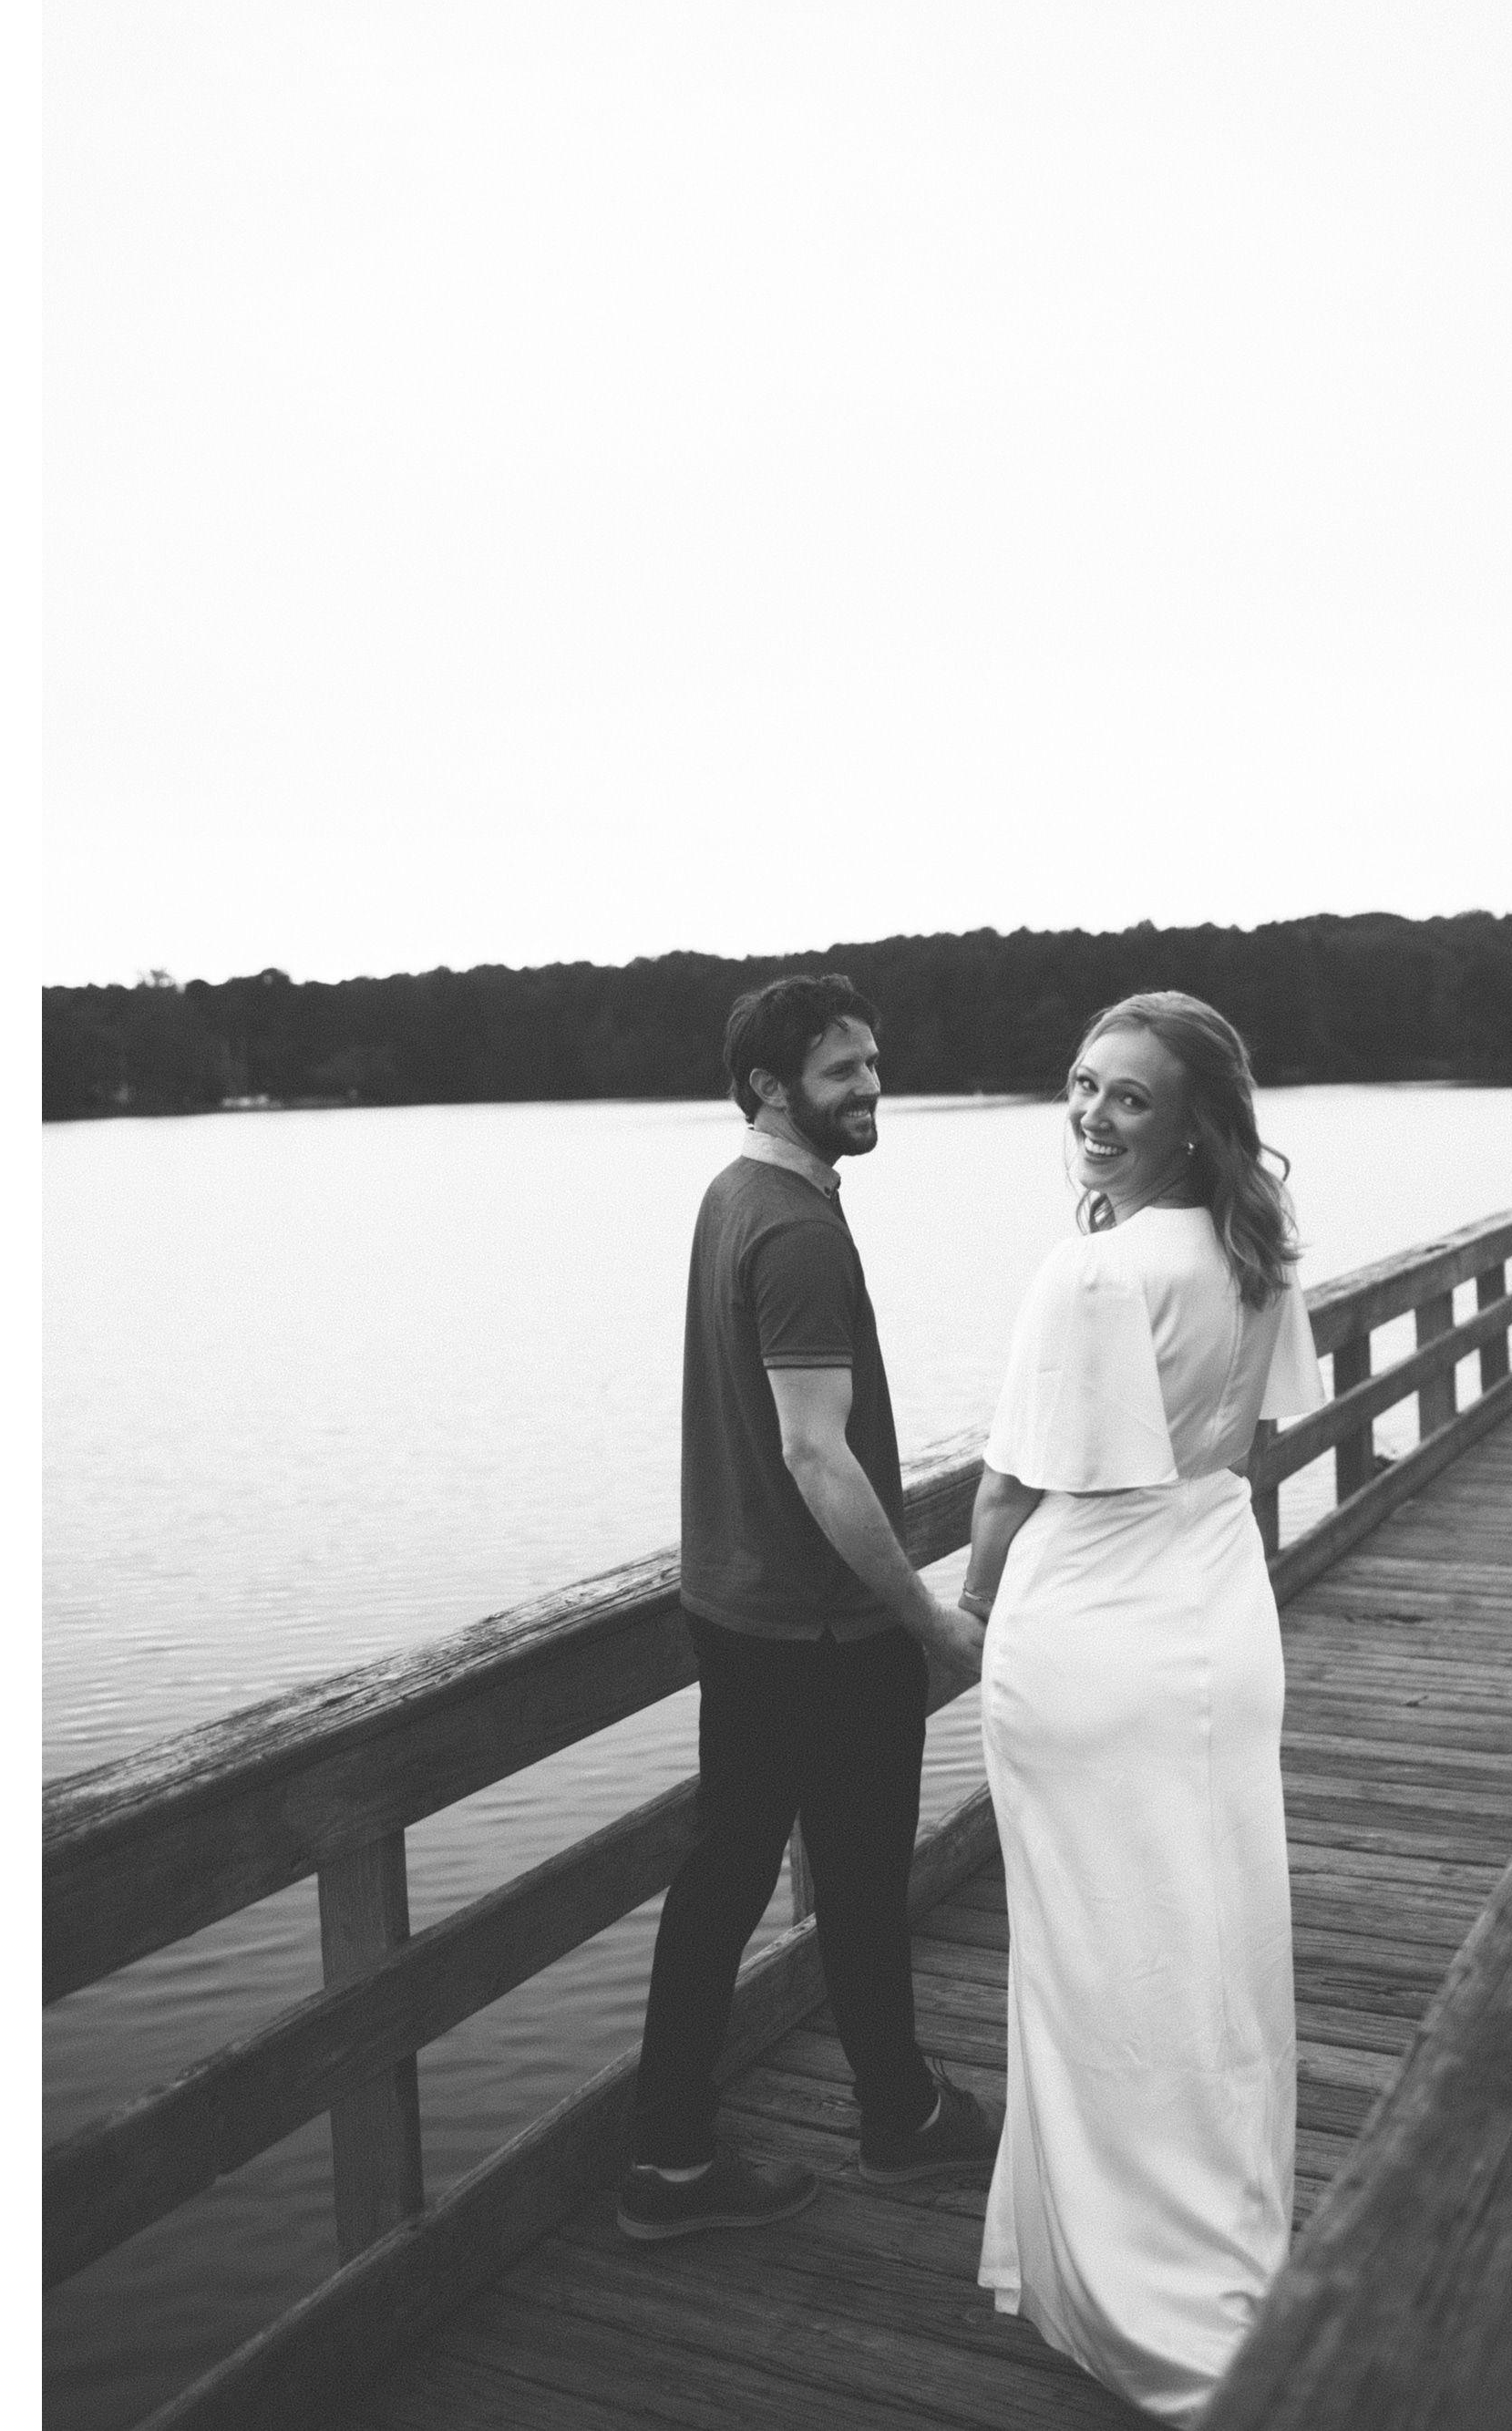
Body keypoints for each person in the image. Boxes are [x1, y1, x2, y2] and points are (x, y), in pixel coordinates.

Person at [960, 992, 1325, 2425]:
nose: (1094, 1116)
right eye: (1083, 1085)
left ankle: (1148, 2300)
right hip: (1215, 1608)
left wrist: (969, 1612)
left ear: (1192, 1123)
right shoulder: (1252, 1252)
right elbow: (1245, 1440)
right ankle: (1218, 2242)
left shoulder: (1096, 1274)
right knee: (1207, 1941)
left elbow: (1010, 1486)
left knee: (1098, 1960)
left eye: (1129, 1096)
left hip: (1092, 1630)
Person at [617, 975, 1000, 2243]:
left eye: (873, 1062)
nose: (871, 1086)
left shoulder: (733, 1195)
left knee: (726, 1879)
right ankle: (894, 2121)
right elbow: (815, 1452)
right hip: (824, 1628)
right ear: (769, 1087)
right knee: (855, 1878)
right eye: (842, 1072)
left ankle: (675, 2158)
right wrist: (931, 1621)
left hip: (741, 1609)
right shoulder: (793, 1232)